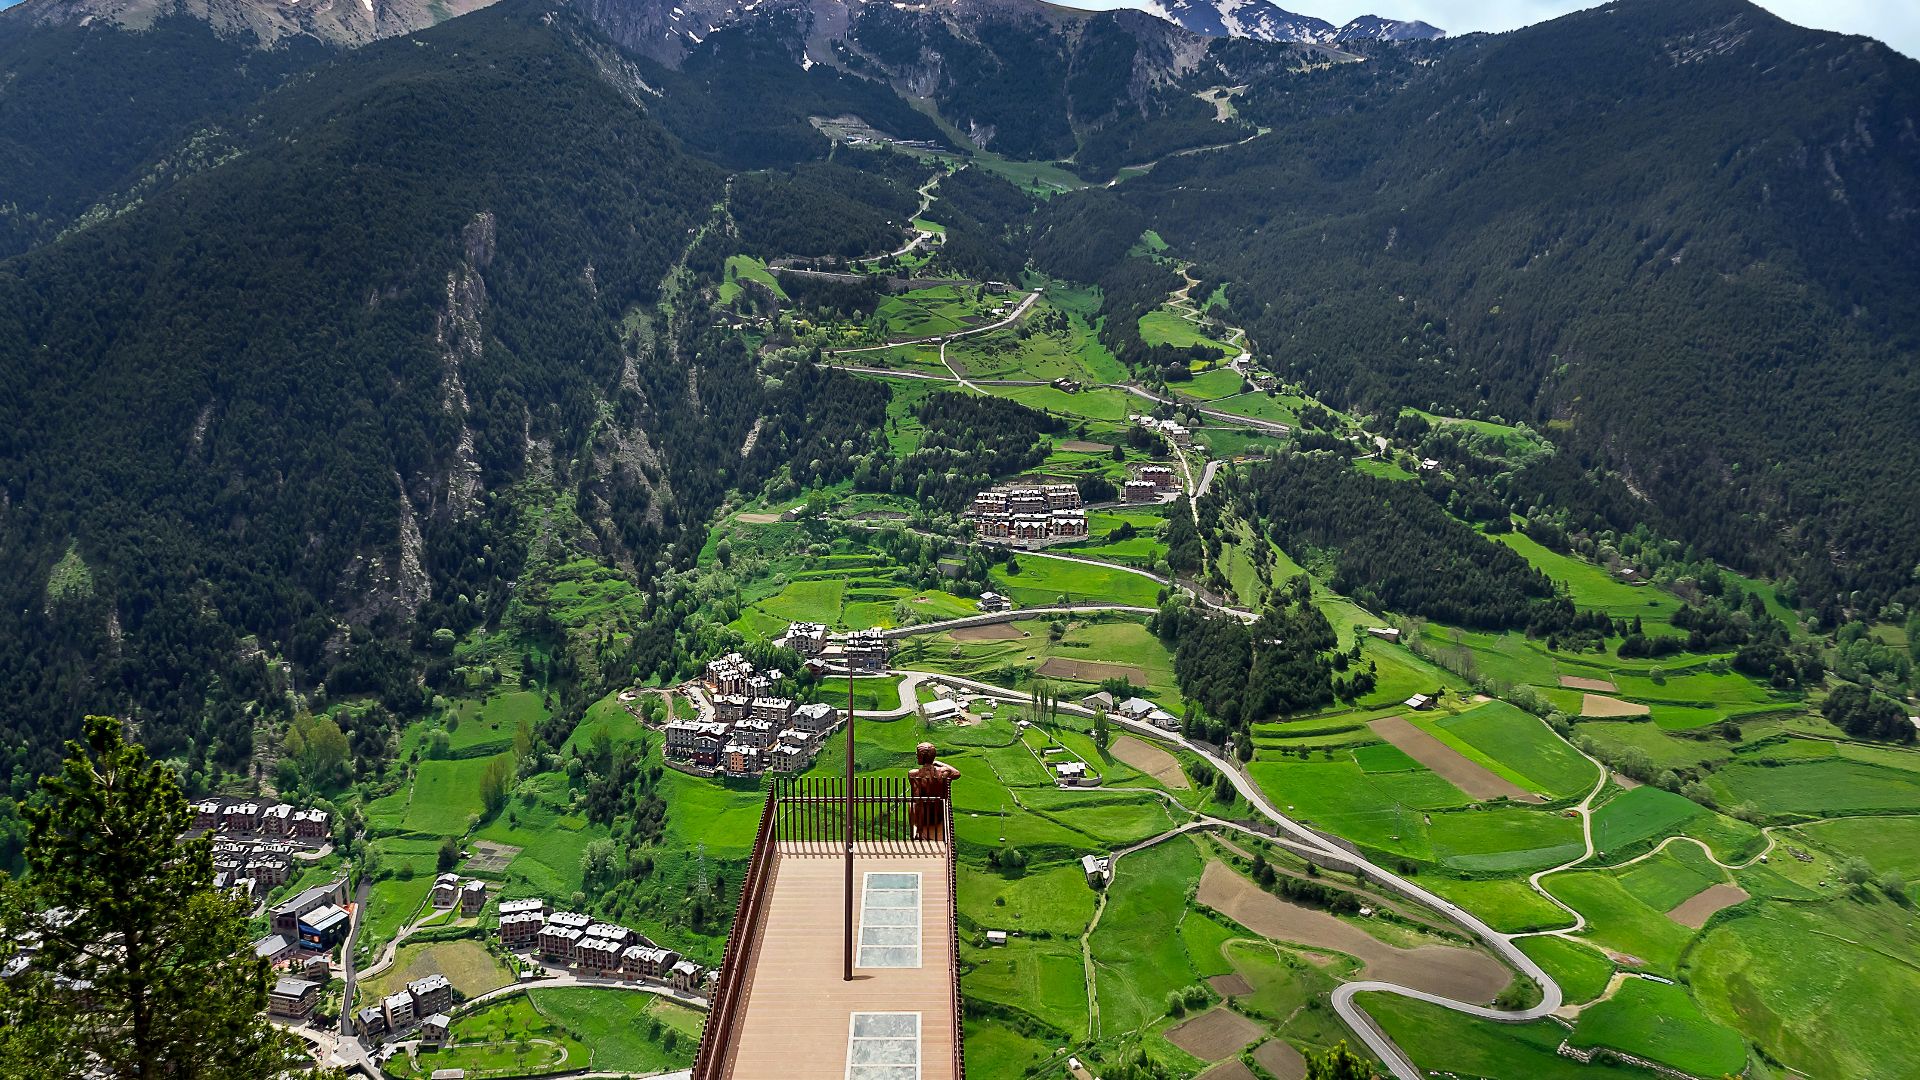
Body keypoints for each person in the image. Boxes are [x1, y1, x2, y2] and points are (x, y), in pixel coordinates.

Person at [907, 742, 960, 839]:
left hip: (925, 817)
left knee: (912, 804)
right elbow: (956, 773)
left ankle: (919, 830)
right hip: (939, 813)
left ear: (922, 757)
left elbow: (917, 800)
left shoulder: (914, 774)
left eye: (918, 754)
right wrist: (937, 763)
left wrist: (919, 828)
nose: (916, 756)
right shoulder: (943, 772)